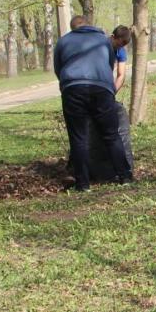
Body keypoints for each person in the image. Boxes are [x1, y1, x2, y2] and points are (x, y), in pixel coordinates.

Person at [54, 15, 131, 190]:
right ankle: (125, 176)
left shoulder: (63, 42)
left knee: (78, 138)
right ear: (87, 25)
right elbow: (108, 66)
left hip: (73, 88)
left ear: (72, 28)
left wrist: (69, 84)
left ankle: (83, 183)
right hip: (101, 89)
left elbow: (58, 69)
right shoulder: (103, 40)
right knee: (111, 134)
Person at [110, 25, 132, 92]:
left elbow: (121, 75)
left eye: (121, 46)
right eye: (117, 44)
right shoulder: (100, 45)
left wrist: (112, 92)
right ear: (112, 37)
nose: (118, 48)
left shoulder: (121, 50)